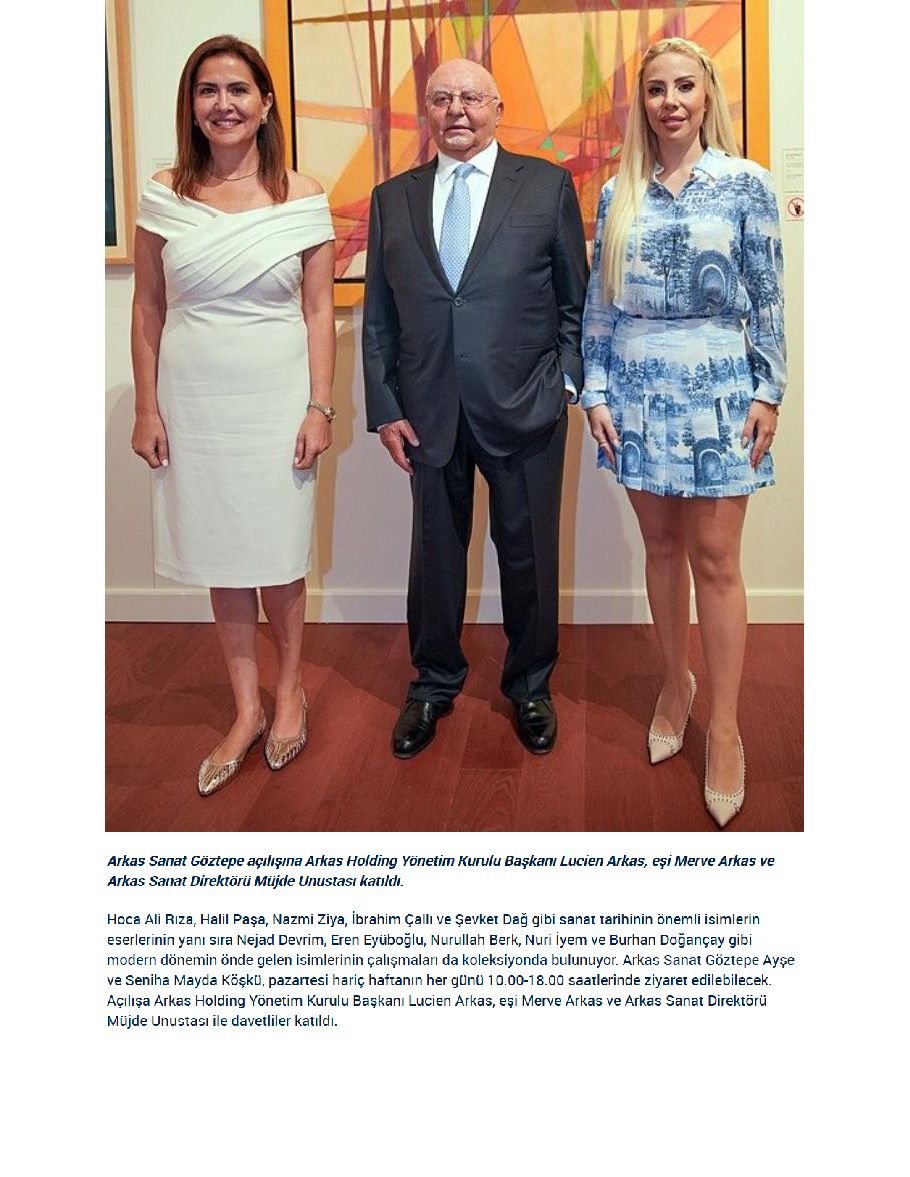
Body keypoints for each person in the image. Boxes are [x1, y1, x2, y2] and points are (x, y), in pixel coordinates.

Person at [581, 38, 786, 827]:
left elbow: (767, 295)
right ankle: (676, 683)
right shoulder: (618, 192)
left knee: (717, 560)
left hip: (721, 387)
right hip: (635, 389)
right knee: (661, 549)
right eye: (656, 89)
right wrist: (595, 389)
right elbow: (600, 301)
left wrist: (770, 390)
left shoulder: (745, 184)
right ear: (642, 102)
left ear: (707, 96)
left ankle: (724, 728)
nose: (670, 101)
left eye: (684, 87)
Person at [363, 58, 587, 759]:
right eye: (440, 98)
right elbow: (379, 317)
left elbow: (576, 301)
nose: (455, 109)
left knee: (529, 555)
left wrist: (566, 383)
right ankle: (432, 683)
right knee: (433, 557)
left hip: (526, 406)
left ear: (496, 107)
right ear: (426, 111)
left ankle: (530, 685)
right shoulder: (392, 198)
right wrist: (385, 407)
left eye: (470, 97)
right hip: (427, 411)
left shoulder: (546, 186)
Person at [130, 35, 337, 795]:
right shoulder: (164, 194)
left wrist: (320, 406)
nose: (223, 104)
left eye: (238, 89)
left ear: (266, 103)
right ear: (191, 106)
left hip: (277, 400)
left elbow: (319, 312)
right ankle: (246, 708)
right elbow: (147, 308)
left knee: (277, 555)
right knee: (221, 554)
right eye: (208, 90)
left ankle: (290, 693)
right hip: (196, 402)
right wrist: (146, 407)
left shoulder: (302, 195)